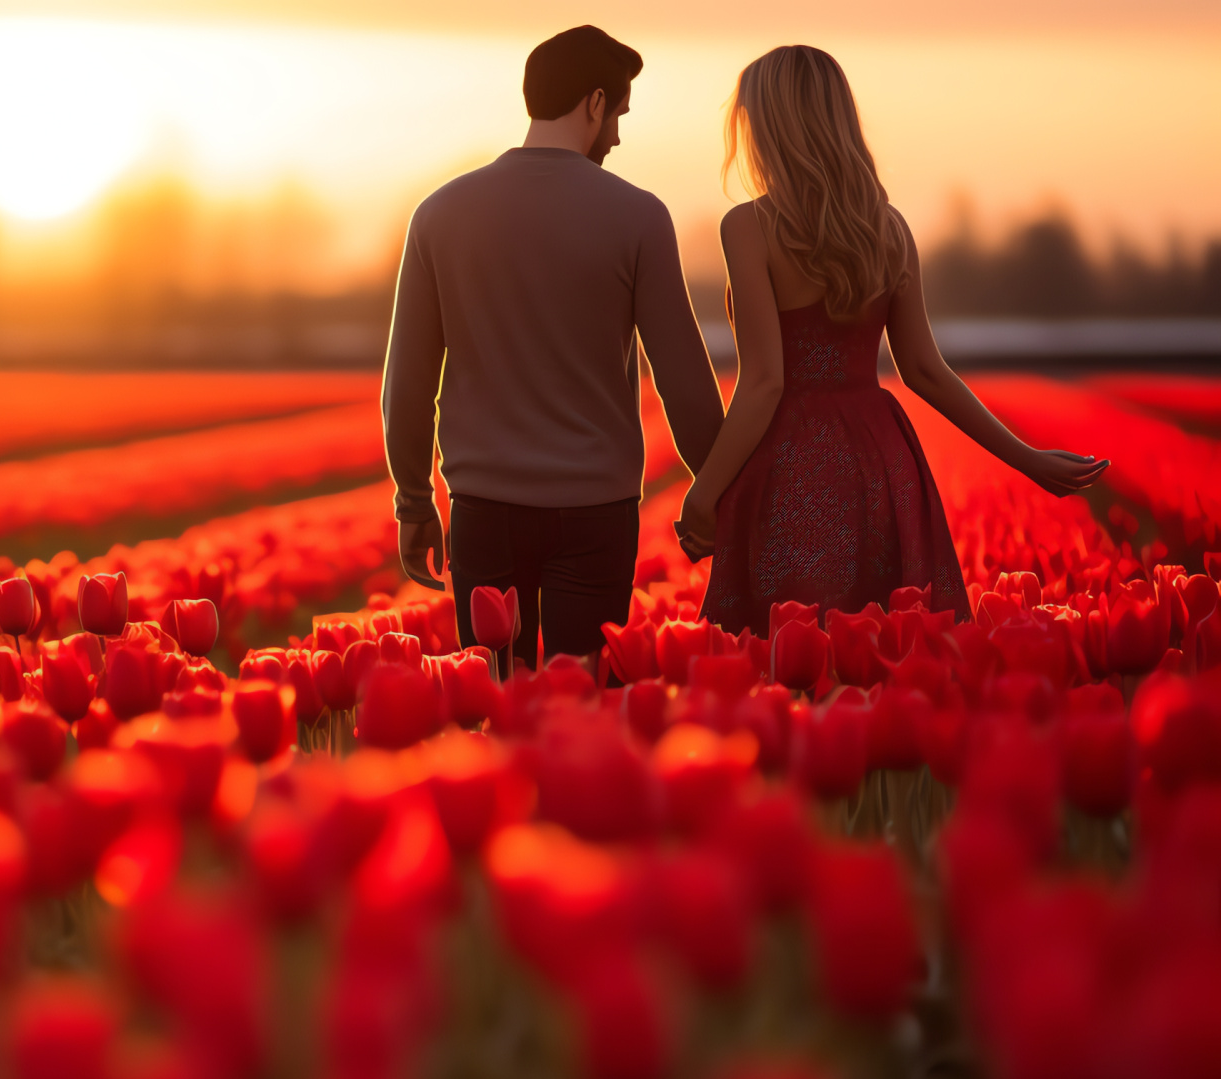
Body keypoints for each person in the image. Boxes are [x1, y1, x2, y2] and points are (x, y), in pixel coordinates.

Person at [680, 45, 1108, 637]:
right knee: (882, 650)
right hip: (880, 461)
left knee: (791, 650)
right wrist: (1027, 461)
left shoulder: (749, 227)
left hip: (790, 462)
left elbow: (764, 382)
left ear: (769, 126)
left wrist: (703, 494)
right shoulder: (887, 228)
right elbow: (926, 370)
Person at [382, 25, 725, 677]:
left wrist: (414, 502)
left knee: (499, 699)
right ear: (595, 104)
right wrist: (722, 493)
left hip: (483, 509)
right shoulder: (638, 217)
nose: (618, 137)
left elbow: (408, 382)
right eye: (619, 114)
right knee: (584, 714)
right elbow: (684, 384)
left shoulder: (439, 215)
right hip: (597, 513)